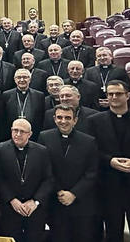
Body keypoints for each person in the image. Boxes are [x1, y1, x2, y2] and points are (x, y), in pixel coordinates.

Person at [87, 80, 130, 242]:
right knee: (112, 234)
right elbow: (90, 153)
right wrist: (110, 161)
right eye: (110, 94)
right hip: (108, 187)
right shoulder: (94, 121)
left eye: (118, 93)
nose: (114, 97)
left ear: (128, 95)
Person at [38, 104, 99, 242]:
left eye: (67, 118)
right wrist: (59, 190)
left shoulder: (88, 141)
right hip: (55, 201)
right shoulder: (44, 137)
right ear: (54, 119)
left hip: (81, 202)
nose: (63, 121)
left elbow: (92, 172)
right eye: (59, 117)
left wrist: (74, 194)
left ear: (75, 120)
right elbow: (43, 169)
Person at [0, 119, 54, 242]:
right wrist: (12, 200)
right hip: (10, 208)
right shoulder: (1, 149)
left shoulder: (41, 151)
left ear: (30, 134)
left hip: (34, 209)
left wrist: (35, 202)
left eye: (22, 131)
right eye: (15, 130)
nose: (17, 134)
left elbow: (48, 179)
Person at [2, 69, 45, 140]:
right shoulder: (6, 95)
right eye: (19, 77)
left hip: (33, 135)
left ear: (30, 79)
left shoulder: (39, 95)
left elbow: (41, 117)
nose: (22, 80)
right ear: (15, 80)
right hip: (12, 135)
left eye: (25, 77)